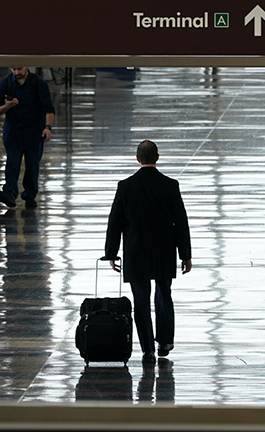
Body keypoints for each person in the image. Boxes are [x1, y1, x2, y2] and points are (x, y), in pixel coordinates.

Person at [104, 140, 192, 366]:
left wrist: (111, 253)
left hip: (136, 251)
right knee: (163, 294)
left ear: (137, 158)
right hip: (163, 250)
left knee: (141, 300)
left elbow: (115, 222)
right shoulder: (170, 185)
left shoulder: (126, 186)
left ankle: (147, 350)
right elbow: (181, 222)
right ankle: (164, 341)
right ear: (158, 157)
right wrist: (185, 254)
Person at [0, 67, 55, 210]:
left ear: (26, 67)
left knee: (32, 165)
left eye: (20, 69)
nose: (17, 72)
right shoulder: (6, 83)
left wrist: (48, 127)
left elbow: (48, 108)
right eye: (14, 69)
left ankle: (30, 195)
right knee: (12, 163)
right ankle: (9, 193)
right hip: (13, 132)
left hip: (34, 132)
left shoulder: (38, 83)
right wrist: (8, 105)